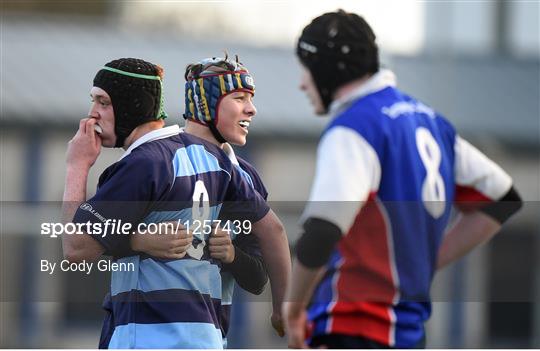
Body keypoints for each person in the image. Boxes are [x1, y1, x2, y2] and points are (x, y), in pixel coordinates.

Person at [283, 10, 523, 349]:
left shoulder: (354, 128)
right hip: (409, 335)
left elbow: (322, 230)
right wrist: (426, 261)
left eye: (305, 68)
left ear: (325, 69)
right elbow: (503, 198)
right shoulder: (432, 123)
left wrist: (292, 310)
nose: (302, 83)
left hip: (353, 329)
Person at [61, 57, 290, 349]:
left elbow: (76, 248)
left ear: (131, 104)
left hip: (148, 337)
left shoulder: (147, 163)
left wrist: (76, 165)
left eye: (103, 102)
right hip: (207, 339)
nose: (92, 115)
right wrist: (137, 240)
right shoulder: (223, 167)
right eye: (239, 98)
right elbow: (275, 234)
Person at [128, 56, 287, 345]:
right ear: (207, 103)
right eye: (239, 98)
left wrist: (232, 256)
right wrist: (138, 239)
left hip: (209, 338)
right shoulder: (159, 160)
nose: (251, 109)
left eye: (250, 99)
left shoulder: (246, 176)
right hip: (145, 336)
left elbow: (257, 279)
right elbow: (89, 241)